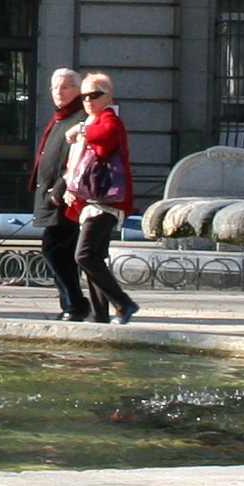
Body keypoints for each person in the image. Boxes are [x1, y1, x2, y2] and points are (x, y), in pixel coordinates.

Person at [65, 72, 138, 324]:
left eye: (93, 95)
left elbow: (105, 139)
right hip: (95, 202)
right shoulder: (94, 119)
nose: (87, 100)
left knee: (83, 255)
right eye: (83, 96)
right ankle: (99, 315)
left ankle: (123, 303)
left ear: (107, 96)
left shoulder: (108, 119)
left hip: (105, 203)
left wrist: (81, 129)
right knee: (94, 257)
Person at [29, 67, 89, 321]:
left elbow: (79, 159)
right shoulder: (60, 118)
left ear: (78, 90)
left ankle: (76, 304)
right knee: (59, 253)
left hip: (64, 198)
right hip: (50, 196)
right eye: (55, 87)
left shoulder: (80, 118)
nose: (59, 92)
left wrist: (60, 190)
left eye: (65, 87)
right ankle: (70, 304)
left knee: (55, 251)